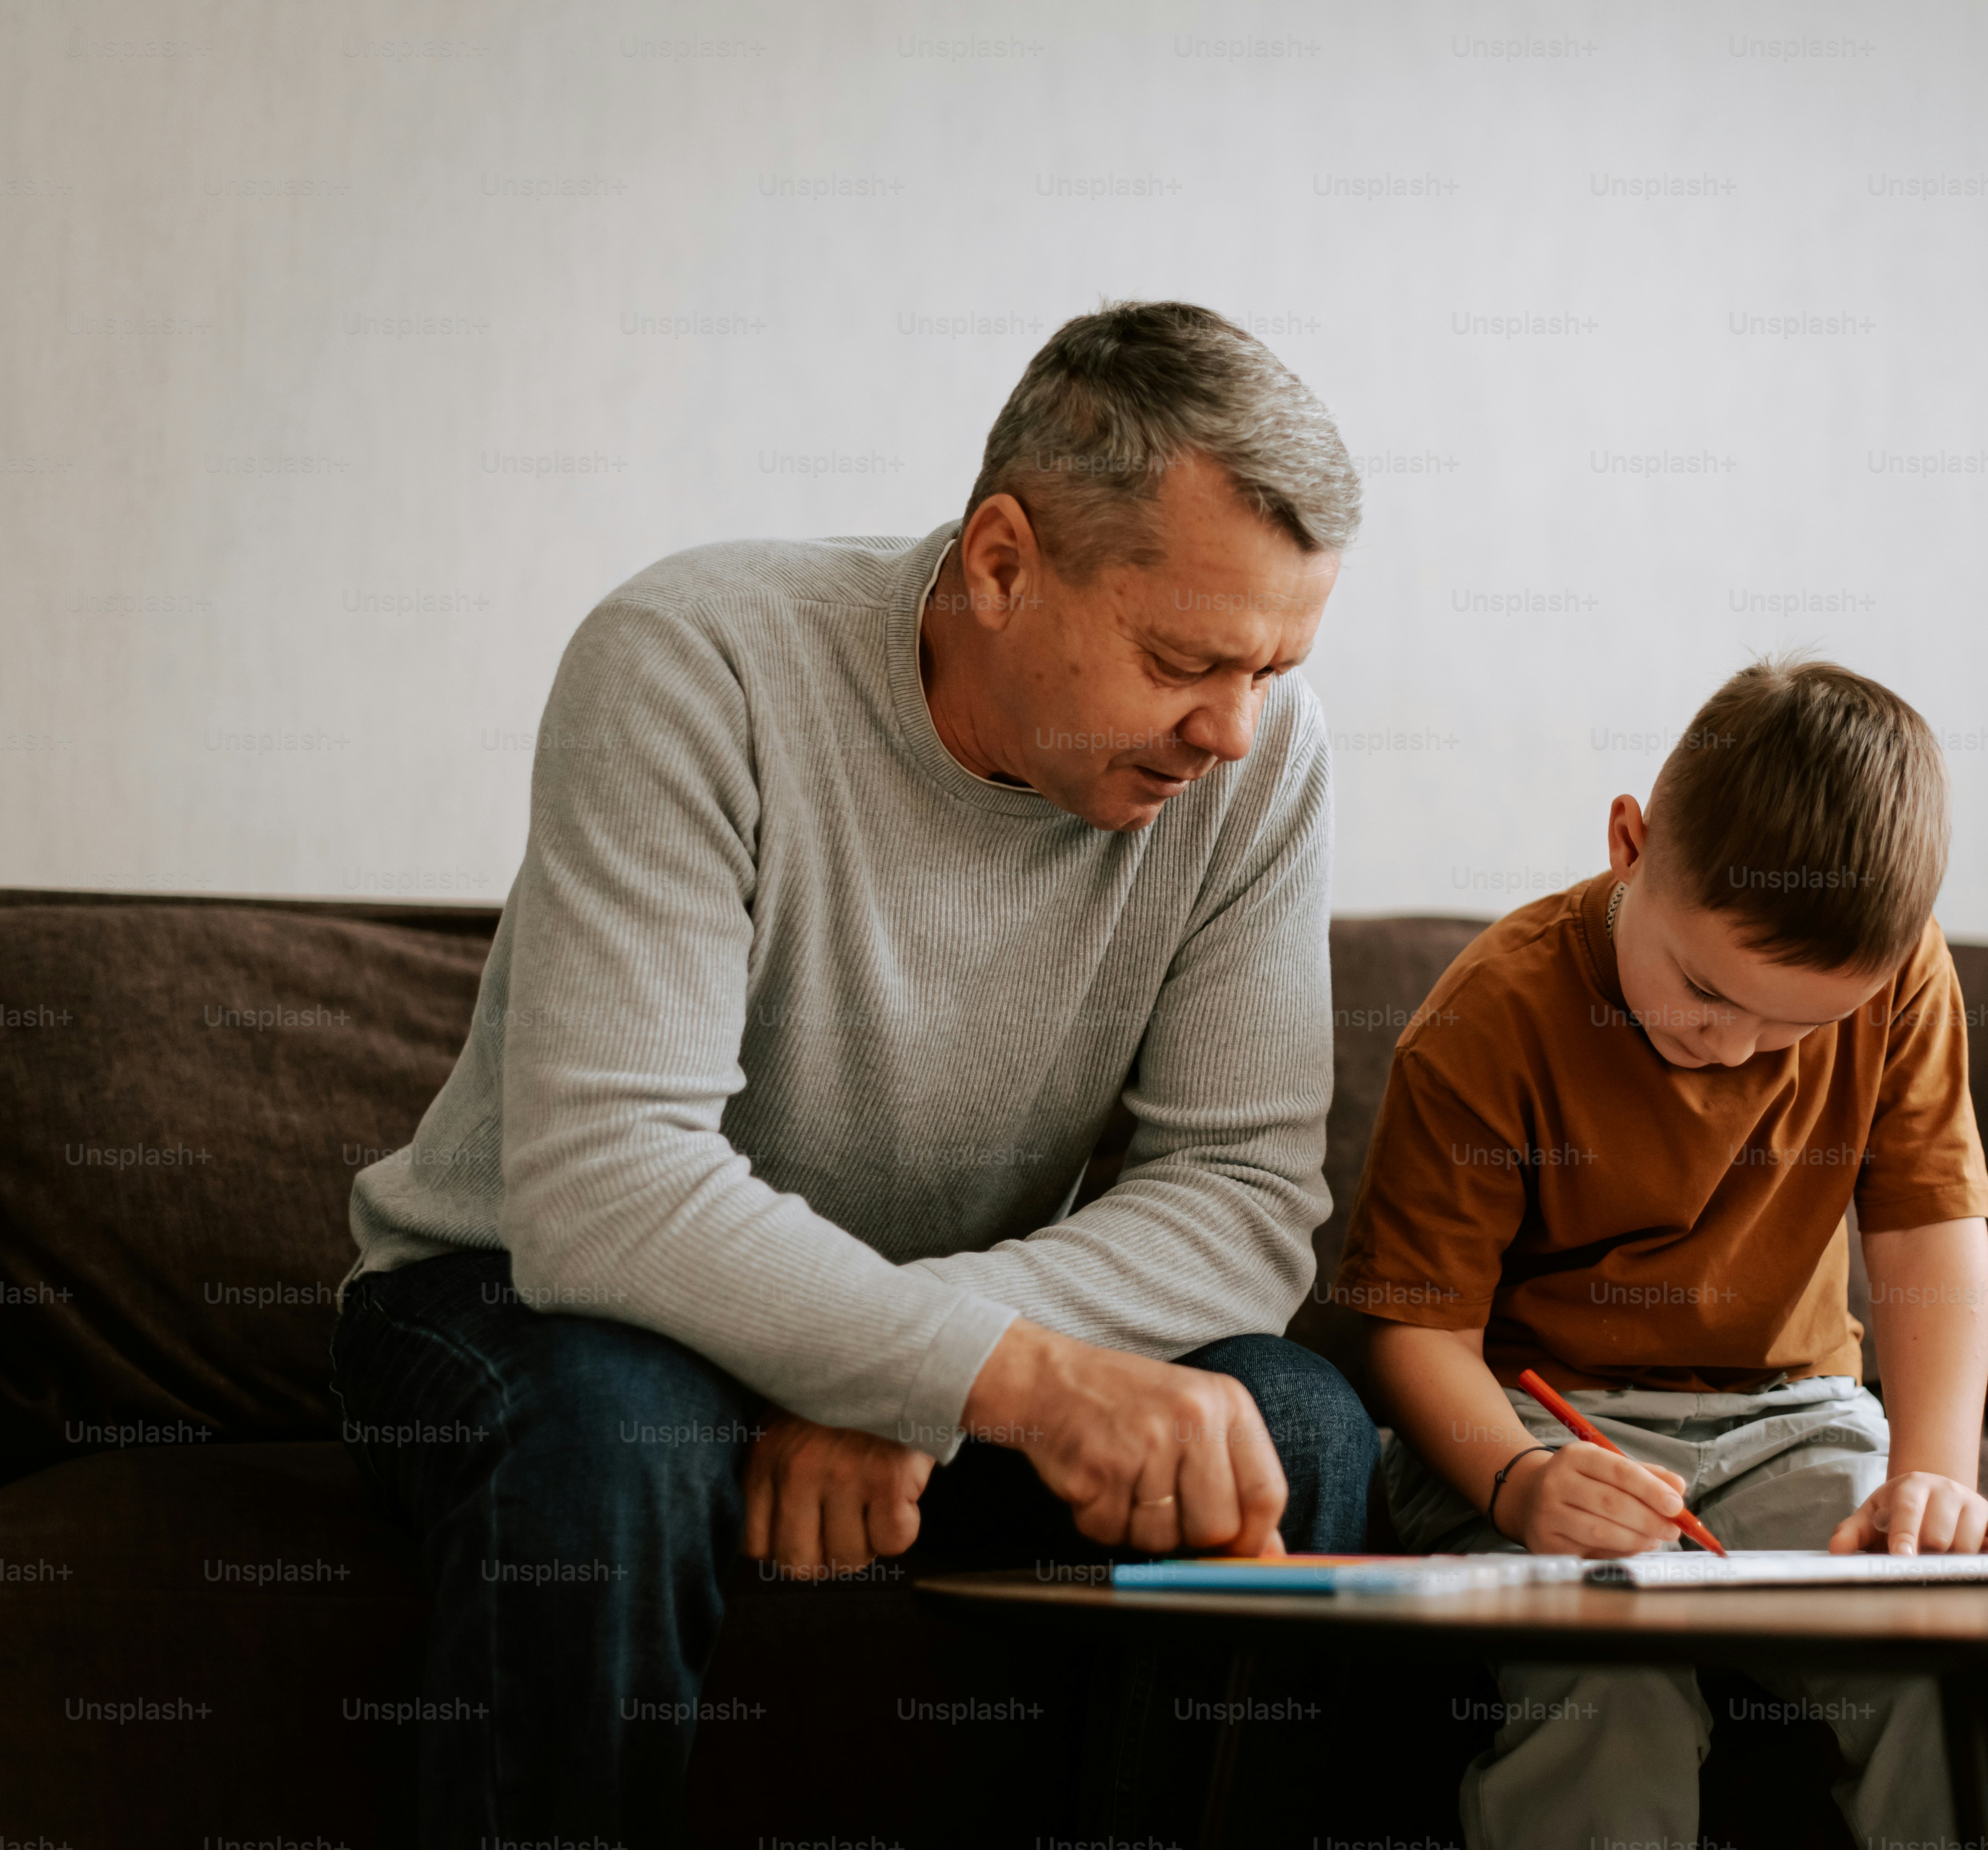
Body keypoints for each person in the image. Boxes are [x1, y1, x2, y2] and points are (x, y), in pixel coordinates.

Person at [328, 302, 1377, 1845]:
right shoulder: (698, 659)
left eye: (1275, 668)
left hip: (923, 1325)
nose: (1229, 728)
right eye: (1183, 660)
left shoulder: (1264, 763)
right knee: (620, 1431)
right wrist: (992, 1377)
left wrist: (911, 1379)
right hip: (534, 1310)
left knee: (1290, 1421)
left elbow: (1241, 1199)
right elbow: (609, 1187)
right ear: (1004, 563)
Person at [1335, 655, 1988, 1849]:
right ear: (1630, 843)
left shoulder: (1907, 979)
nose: (1742, 1048)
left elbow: (1928, 1229)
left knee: (1967, 1651)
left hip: (1801, 1421)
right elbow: (1418, 1333)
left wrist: (1930, 1478)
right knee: (1605, 1687)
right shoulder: (1487, 1019)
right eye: (1706, 993)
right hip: (1547, 1437)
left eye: (1805, 1027)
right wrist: (1521, 1487)